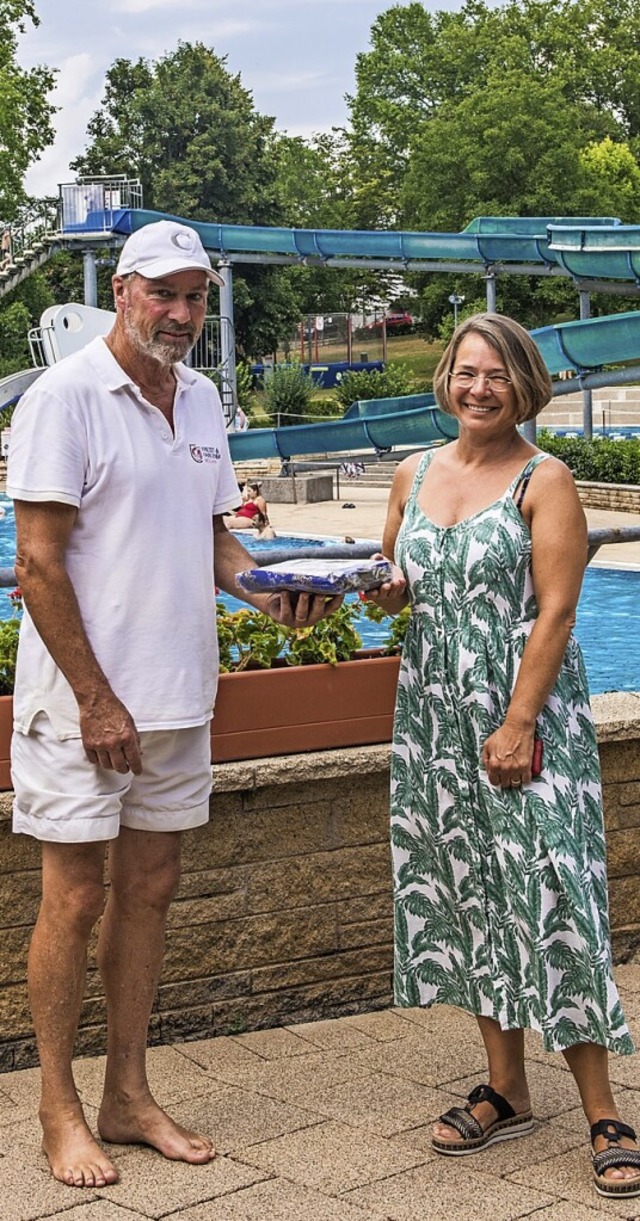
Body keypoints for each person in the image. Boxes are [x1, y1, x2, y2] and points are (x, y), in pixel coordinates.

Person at [6, 218, 341, 1190]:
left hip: (176, 695)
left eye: (197, 296)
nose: (184, 313)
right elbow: (37, 565)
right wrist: (97, 700)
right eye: (165, 293)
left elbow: (217, 545)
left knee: (148, 893)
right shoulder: (64, 399)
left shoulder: (198, 401)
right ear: (121, 291)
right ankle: (57, 1108)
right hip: (82, 707)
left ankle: (127, 1094)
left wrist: (273, 589)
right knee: (72, 897)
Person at [365, 312, 640, 1201]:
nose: (478, 388)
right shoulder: (412, 470)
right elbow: (393, 572)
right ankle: (507, 1086)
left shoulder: (544, 477)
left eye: (498, 375)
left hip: (525, 716)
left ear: (526, 386)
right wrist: (388, 583)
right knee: (469, 889)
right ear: (446, 376)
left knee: (551, 891)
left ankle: (604, 1108)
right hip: (434, 720)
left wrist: (519, 722)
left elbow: (556, 610)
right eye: (465, 371)